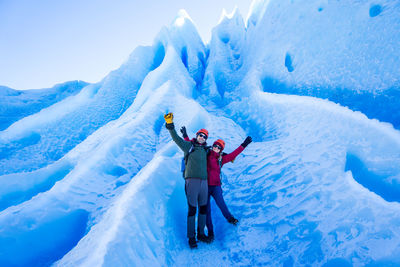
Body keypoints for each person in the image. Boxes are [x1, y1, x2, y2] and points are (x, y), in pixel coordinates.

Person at [180, 126, 252, 241]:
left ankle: (230, 218)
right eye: (215, 146)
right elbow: (192, 146)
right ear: (212, 146)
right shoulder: (205, 153)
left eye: (219, 147)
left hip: (216, 187)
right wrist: (185, 136)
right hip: (205, 187)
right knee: (206, 211)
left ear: (221, 150)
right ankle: (210, 232)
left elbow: (233, 155)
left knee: (221, 204)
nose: (216, 148)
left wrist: (244, 144)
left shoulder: (221, 159)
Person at [163, 113, 213, 248]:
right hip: (192, 181)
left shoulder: (206, 151)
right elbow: (176, 139)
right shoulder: (188, 146)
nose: (202, 137)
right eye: (200, 135)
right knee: (192, 209)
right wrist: (170, 124)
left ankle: (201, 234)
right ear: (196, 136)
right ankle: (191, 237)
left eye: (204, 136)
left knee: (203, 209)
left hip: (204, 183)